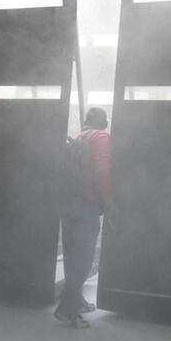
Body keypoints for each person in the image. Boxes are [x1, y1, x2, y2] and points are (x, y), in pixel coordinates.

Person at [54, 107, 112, 329]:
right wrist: (109, 202)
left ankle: (76, 300)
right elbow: (102, 171)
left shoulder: (78, 138)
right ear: (103, 122)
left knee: (71, 255)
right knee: (84, 258)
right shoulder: (100, 137)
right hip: (86, 205)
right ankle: (67, 309)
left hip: (68, 204)